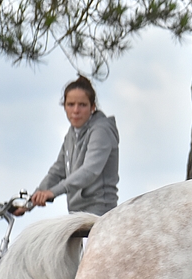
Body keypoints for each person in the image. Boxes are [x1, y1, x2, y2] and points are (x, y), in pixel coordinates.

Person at [20, 75, 119, 217]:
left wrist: (53, 192)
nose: (76, 110)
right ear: (64, 106)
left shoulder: (101, 130)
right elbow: (57, 171)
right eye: (71, 104)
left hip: (99, 214)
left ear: (92, 107)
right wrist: (30, 203)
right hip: (76, 215)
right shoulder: (71, 134)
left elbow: (90, 171)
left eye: (82, 105)